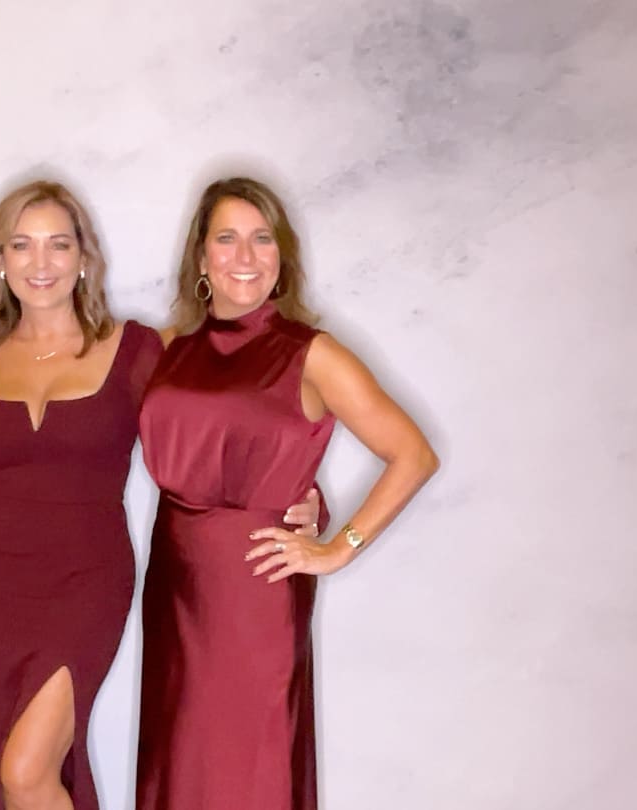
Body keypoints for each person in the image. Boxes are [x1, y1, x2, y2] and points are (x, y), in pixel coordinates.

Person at [0, 179, 325, 810]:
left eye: (59, 244)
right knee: (6, 773)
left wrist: (304, 493)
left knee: (24, 771)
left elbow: (227, 416)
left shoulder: (136, 349)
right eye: (22, 245)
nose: (41, 261)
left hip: (86, 581)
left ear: (84, 257)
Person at [136, 177, 440, 810]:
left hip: (256, 591)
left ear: (282, 256)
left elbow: (412, 454)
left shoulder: (310, 354)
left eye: (262, 239)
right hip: (174, 586)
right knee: (181, 762)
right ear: (201, 258)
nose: (245, 256)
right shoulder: (166, 349)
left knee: (251, 767)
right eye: (227, 238)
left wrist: (338, 546)